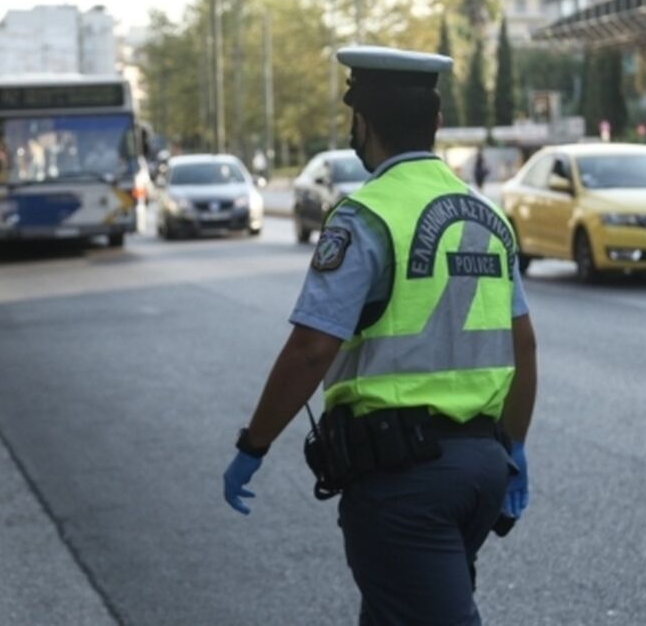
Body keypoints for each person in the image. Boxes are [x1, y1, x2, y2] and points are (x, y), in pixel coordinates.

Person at [223, 45, 539, 625]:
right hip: (481, 471)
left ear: (360, 124)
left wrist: (254, 444)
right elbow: (523, 346)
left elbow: (311, 348)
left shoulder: (365, 215)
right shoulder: (487, 216)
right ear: (437, 124)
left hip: (405, 485)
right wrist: (514, 447)